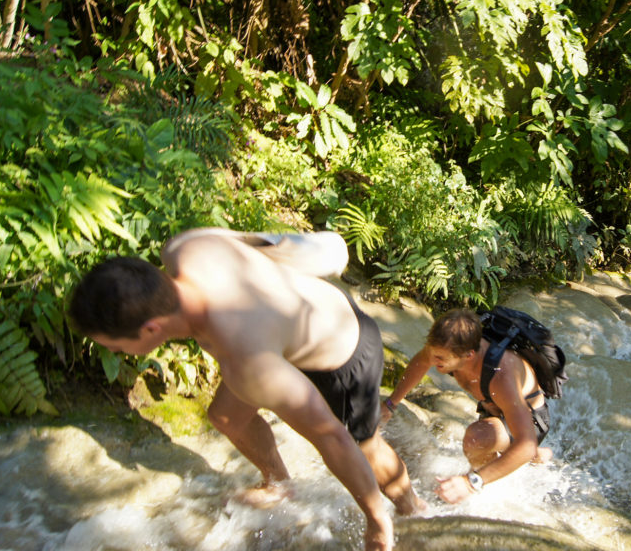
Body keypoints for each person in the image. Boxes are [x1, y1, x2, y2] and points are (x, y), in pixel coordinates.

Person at [69, 228, 425, 551]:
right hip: (290, 324)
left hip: (344, 349)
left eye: (113, 346)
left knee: (365, 445)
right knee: (226, 416)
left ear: (149, 330)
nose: (113, 353)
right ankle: (279, 484)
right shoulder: (186, 246)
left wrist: (376, 519)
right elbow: (268, 242)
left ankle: (414, 510)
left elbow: (330, 437)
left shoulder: (246, 360)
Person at [381, 309, 552, 504]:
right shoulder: (447, 348)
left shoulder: (501, 376)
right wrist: (390, 404)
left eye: (440, 359)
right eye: (433, 353)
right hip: (494, 409)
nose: (433, 360)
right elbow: (421, 362)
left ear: (469, 355)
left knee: (476, 439)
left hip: (531, 418)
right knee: (488, 443)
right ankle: (532, 457)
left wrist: (471, 482)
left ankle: (485, 492)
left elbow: (526, 444)